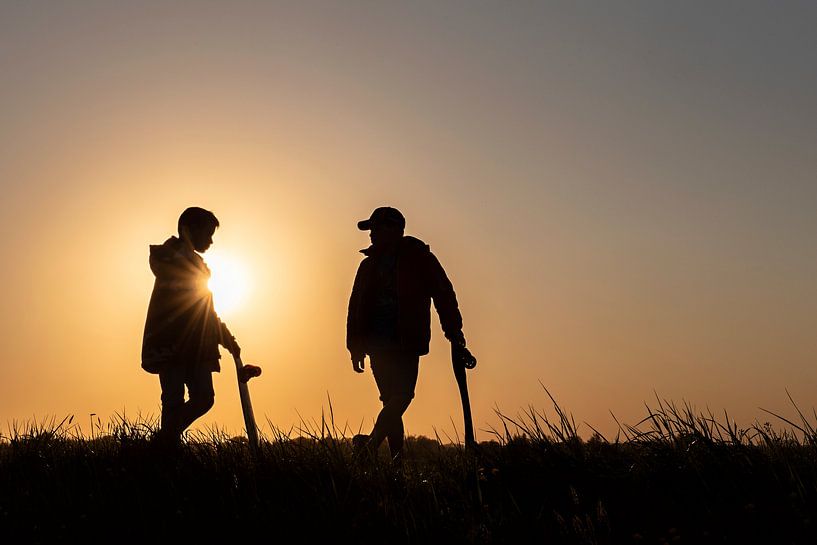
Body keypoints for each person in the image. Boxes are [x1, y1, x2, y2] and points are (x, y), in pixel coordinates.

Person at [347, 206, 472, 461]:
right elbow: (355, 307)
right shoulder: (368, 266)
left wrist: (454, 332)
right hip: (377, 342)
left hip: (406, 340)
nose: (371, 234)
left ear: (393, 229)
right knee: (392, 401)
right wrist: (355, 347)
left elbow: (443, 295)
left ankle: (370, 445)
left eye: (375, 228)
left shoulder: (420, 259)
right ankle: (392, 462)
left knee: (401, 397)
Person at [141, 207, 255, 444]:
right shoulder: (167, 257)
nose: (211, 241)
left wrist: (227, 338)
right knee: (173, 398)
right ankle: (167, 448)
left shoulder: (199, 268)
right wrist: (185, 251)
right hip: (169, 343)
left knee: (204, 397)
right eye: (207, 234)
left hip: (197, 345)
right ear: (188, 230)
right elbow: (171, 271)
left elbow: (206, 310)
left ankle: (163, 440)